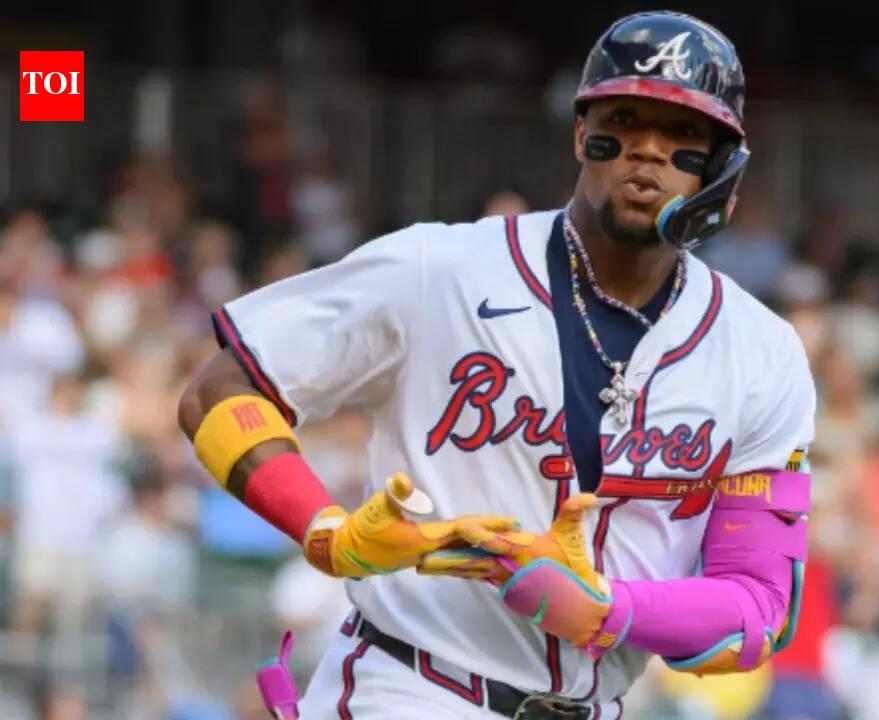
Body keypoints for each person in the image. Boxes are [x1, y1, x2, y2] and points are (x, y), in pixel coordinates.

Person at [177, 11, 815, 720]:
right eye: (625, 119)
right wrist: (325, 531)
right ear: (581, 133)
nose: (647, 150)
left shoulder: (762, 352)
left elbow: (758, 609)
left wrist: (606, 609)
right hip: (414, 685)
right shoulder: (439, 269)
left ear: (722, 162)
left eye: (683, 135)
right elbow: (218, 390)